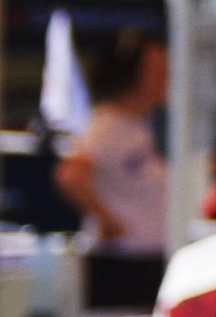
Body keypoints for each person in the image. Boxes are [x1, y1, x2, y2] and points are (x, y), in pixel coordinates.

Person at [52, 22, 167, 249]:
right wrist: (108, 221)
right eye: (157, 70)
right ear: (132, 75)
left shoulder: (136, 125)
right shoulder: (107, 126)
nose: (166, 78)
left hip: (146, 252)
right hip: (123, 257)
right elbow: (70, 176)